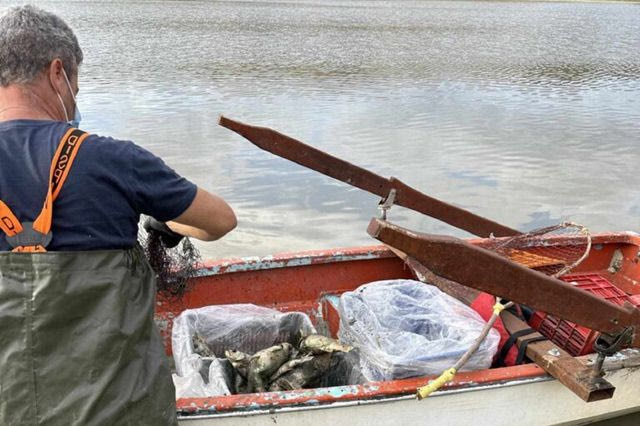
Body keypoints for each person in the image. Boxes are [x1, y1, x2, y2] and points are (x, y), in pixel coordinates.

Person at [0, 5, 236, 425]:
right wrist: (164, 221)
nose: (75, 94)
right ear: (58, 73)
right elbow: (219, 220)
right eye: (75, 81)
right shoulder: (111, 159)